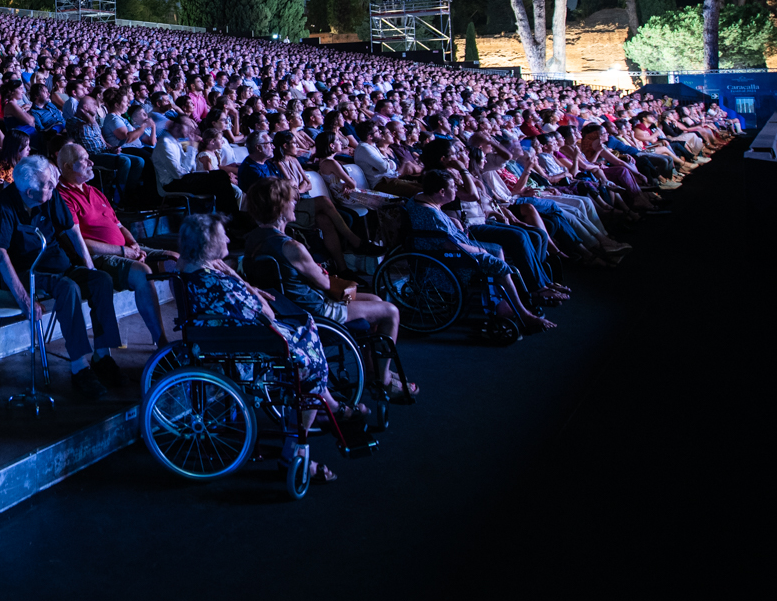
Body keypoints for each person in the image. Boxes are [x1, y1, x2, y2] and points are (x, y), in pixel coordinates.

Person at [175, 212, 341, 484]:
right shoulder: (217, 281)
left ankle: (325, 407)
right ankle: (295, 450)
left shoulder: (192, 270)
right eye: (222, 235)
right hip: (243, 342)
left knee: (305, 329)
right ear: (208, 244)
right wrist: (245, 285)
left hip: (225, 335)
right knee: (310, 364)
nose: (228, 238)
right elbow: (267, 314)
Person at [238, 176, 416, 401]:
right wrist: (321, 271)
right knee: (391, 311)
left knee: (375, 299)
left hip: (289, 305)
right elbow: (324, 283)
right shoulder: (291, 247)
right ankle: (385, 381)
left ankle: (373, 370)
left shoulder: (252, 239)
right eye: (293, 200)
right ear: (280, 206)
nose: (296, 204)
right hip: (314, 311)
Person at [0, 154, 123, 400]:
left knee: (101, 280)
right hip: (28, 270)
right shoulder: (6, 204)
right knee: (68, 288)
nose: (53, 187)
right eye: (47, 185)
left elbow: (72, 229)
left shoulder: (49, 194)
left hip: (58, 263)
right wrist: (24, 299)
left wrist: (89, 265)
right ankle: (78, 366)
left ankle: (102, 355)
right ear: (29, 193)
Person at [408, 170, 555, 334]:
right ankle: (523, 313)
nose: (456, 190)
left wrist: (453, 221)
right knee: (498, 263)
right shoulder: (430, 215)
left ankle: (502, 304)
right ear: (441, 192)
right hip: (447, 258)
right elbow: (453, 246)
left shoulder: (421, 198)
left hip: (448, 249)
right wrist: (478, 249)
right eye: (453, 187)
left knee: (496, 249)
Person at [53, 143, 167, 348]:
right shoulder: (62, 197)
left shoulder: (94, 191)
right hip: (102, 258)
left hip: (128, 249)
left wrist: (134, 245)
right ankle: (163, 344)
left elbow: (119, 225)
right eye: (84, 159)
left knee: (176, 260)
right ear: (68, 166)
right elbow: (80, 243)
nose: (91, 163)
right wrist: (125, 252)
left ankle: (192, 338)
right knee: (142, 271)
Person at [152, 112, 238, 213]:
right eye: (187, 126)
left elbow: (188, 168)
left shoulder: (176, 143)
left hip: (182, 179)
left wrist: (192, 147)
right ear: (177, 126)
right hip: (172, 184)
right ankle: (229, 216)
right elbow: (178, 174)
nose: (190, 130)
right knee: (219, 179)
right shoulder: (165, 144)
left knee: (221, 175)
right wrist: (192, 147)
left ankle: (228, 216)